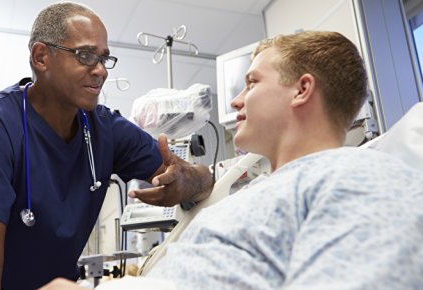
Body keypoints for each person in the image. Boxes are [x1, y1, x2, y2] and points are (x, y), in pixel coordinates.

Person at [41, 30, 423, 289]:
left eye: (253, 83)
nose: (237, 100)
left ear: (302, 90)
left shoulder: (357, 179)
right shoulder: (258, 192)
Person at [0, 2, 213, 290]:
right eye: (85, 55)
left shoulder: (105, 129)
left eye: (104, 58)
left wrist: (185, 182)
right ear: (41, 57)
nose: (101, 70)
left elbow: (197, 175)